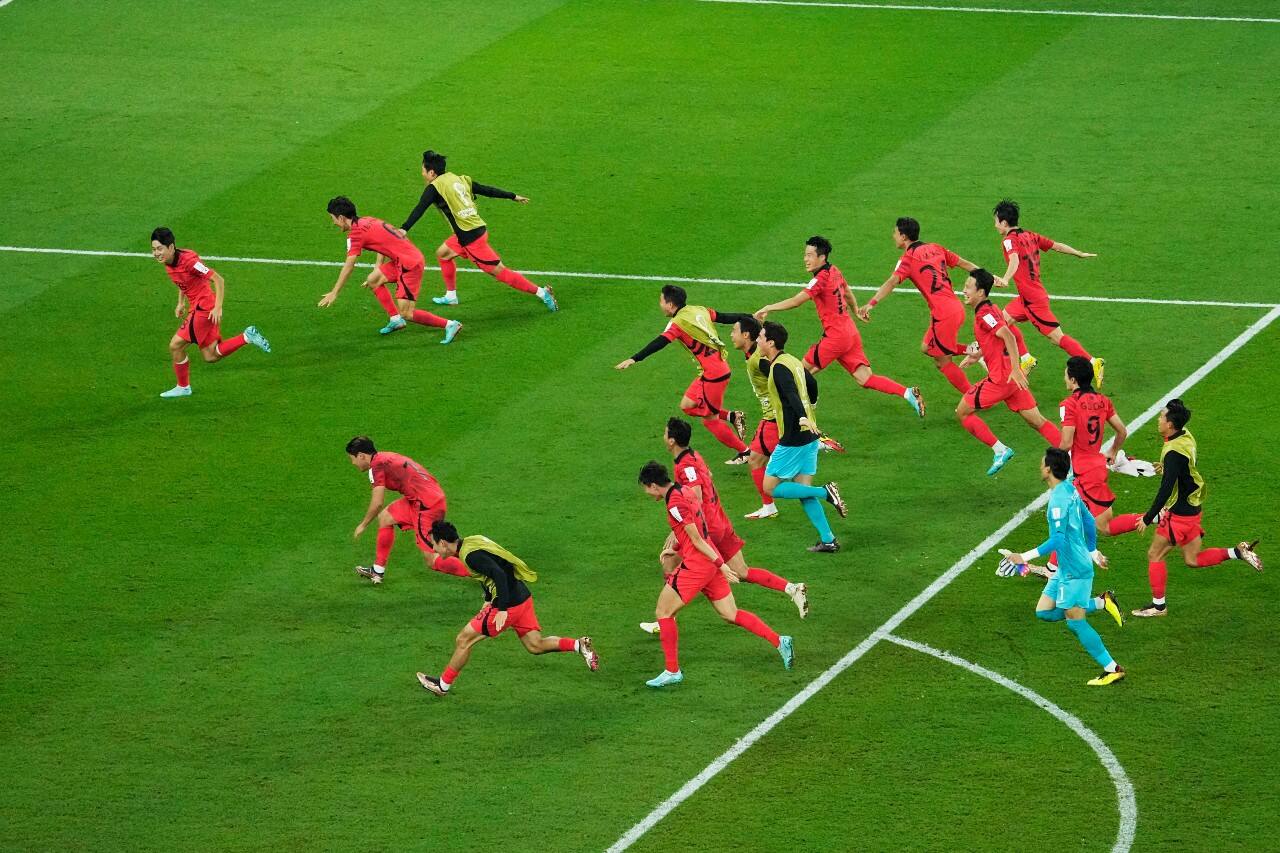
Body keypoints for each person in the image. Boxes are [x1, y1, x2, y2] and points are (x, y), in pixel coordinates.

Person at [638, 462, 793, 688]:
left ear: (653, 485)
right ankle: (779, 641)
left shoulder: (674, 504)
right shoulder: (685, 490)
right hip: (709, 559)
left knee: (663, 611)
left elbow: (697, 539)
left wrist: (721, 565)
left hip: (699, 565)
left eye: (646, 488)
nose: (647, 493)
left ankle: (672, 671)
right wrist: (679, 548)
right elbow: (701, 528)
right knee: (730, 614)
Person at [416, 521, 598, 696]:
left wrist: (502, 609)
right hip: (522, 596)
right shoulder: (472, 542)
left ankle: (443, 685)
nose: (433, 549)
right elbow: (493, 569)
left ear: (443, 543)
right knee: (535, 645)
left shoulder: (470, 556)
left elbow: (499, 574)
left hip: (508, 604)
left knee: (464, 639)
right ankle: (578, 645)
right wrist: (488, 598)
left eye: (434, 545)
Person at [755, 235, 924, 417]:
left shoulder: (820, 279)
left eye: (810, 255)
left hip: (835, 337)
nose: (805, 259)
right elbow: (848, 292)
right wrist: (856, 310)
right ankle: (907, 393)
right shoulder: (834, 270)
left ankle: (791, 420)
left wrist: (768, 307)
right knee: (865, 378)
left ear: (822, 257)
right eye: (805, 255)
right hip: (850, 333)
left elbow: (797, 301)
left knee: (796, 374)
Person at [661, 417, 808, 616]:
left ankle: (664, 618)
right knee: (741, 571)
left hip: (707, 528)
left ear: (672, 440)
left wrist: (678, 531)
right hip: (720, 521)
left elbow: (696, 496)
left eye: (665, 433)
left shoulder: (685, 466)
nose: (663, 436)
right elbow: (709, 476)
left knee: (670, 561)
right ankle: (793, 588)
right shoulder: (694, 456)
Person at [1004, 448, 1126, 685]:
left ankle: (1112, 668)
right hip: (1068, 566)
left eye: (1042, 463)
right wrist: (1092, 551)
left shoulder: (1058, 501)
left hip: (1074, 570)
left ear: (1049, 469)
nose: (1040, 466)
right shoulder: (1069, 488)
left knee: (1075, 621)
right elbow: (1088, 519)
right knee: (1044, 612)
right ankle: (1102, 602)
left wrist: (1023, 557)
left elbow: (1058, 540)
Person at [1131, 399, 1263, 617]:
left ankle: (1158, 606)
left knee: (1154, 554)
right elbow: (1182, 466)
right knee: (1192, 560)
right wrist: (1167, 468)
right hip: (1193, 508)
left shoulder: (1173, 453)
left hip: (1179, 514)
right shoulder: (1185, 435)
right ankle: (1237, 552)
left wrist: (1148, 517)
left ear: (1170, 424)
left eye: (1162, 417)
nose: (1158, 419)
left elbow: (1165, 490)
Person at [398, 150, 557, 311]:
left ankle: (542, 293)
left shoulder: (434, 188)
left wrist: (404, 228)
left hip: (470, 239)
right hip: (475, 229)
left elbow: (420, 208)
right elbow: (486, 190)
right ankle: (451, 296)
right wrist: (512, 196)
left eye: (423, 170)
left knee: (500, 272)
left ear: (431, 172)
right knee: (443, 254)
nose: (422, 174)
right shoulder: (458, 179)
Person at [615, 286, 749, 457]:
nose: (660, 305)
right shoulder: (699, 310)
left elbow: (660, 342)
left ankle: (745, 452)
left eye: (661, 301)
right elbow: (725, 317)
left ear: (670, 305)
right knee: (687, 406)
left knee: (710, 421)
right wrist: (750, 316)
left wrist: (634, 358)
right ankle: (732, 416)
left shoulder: (677, 324)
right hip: (711, 371)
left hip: (714, 376)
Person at [955, 269, 1062, 476]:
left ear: (981, 292)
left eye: (968, 287)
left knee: (962, 412)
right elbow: (996, 338)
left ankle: (1000, 450)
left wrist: (1015, 369)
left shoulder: (984, 314)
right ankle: (1073, 456)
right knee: (1036, 421)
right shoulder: (992, 308)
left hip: (1001, 379)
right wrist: (978, 355)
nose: (964, 290)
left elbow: (1008, 337)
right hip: (1011, 379)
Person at [318, 197, 461, 344]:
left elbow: (349, 265)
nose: (333, 222)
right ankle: (395, 320)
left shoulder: (355, 234)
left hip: (409, 265)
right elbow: (382, 242)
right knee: (373, 280)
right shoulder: (367, 220)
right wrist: (377, 268)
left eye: (333, 218)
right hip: (403, 258)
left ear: (341, 218)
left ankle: (450, 325)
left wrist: (335, 292)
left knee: (407, 313)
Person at [756, 321, 847, 552]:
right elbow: (812, 383)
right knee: (802, 490)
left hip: (793, 437)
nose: (757, 340)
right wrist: (810, 409)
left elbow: (790, 394)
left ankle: (825, 492)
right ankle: (828, 540)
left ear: (770, 342)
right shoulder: (793, 360)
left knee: (769, 488)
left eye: (761, 337)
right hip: (810, 436)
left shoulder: (779, 368)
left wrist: (802, 417)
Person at [858, 217, 978, 393]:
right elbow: (964, 263)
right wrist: (987, 276)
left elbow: (892, 282)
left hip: (944, 314)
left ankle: (973, 397)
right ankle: (972, 349)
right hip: (954, 308)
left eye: (895, 232)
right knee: (926, 347)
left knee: (943, 362)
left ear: (904, 236)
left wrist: (871, 304)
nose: (893, 236)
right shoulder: (936, 247)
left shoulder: (909, 258)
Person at [991, 199, 1104, 383]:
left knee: (1057, 338)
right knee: (1001, 322)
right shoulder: (1030, 235)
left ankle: (1093, 362)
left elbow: (1014, 260)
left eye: (996, 221)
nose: (995, 225)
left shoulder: (1009, 241)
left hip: (1033, 301)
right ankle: (1026, 359)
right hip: (1027, 297)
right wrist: (1078, 253)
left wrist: (1005, 278)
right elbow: (1056, 245)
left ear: (1004, 222)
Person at [151, 227, 271, 398]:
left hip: (204, 308)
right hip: (199, 306)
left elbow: (218, 279)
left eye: (159, 249)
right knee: (210, 355)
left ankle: (183, 387)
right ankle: (247, 336)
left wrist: (217, 307)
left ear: (171, 247)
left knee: (175, 345)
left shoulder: (189, 262)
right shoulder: (169, 261)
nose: (156, 253)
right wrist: (181, 302)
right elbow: (183, 281)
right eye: (153, 249)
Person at [344, 436, 448, 584]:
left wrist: (363, 524)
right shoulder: (384, 457)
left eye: (352, 458)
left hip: (426, 505)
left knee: (432, 559)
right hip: (424, 497)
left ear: (361, 455)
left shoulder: (376, 466)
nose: (353, 463)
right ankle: (377, 570)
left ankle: (482, 572)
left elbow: (377, 502)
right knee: (386, 517)